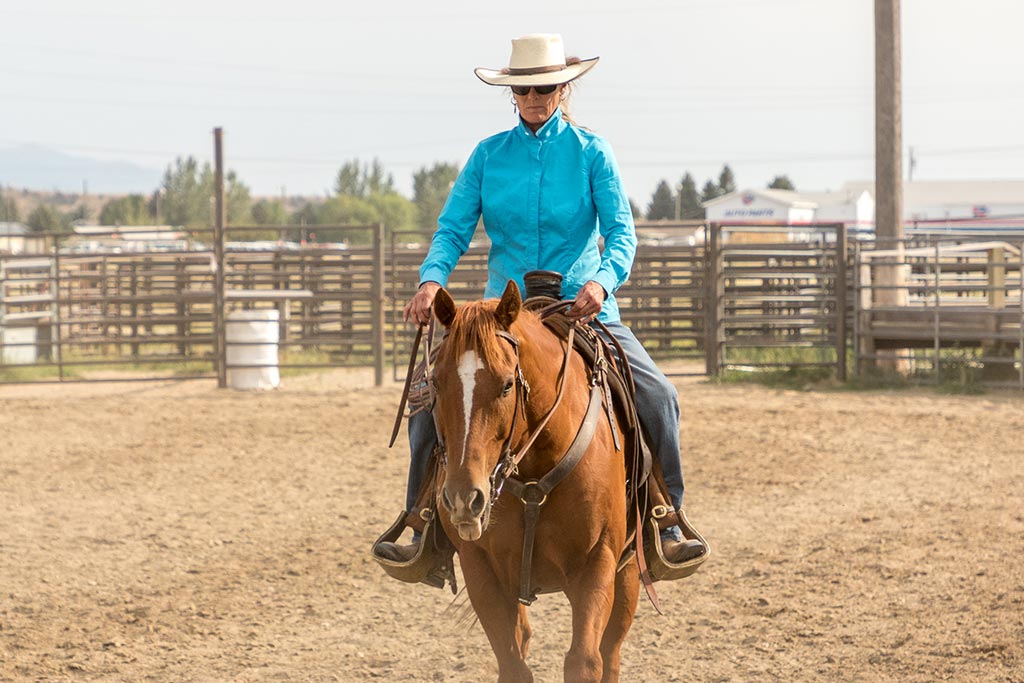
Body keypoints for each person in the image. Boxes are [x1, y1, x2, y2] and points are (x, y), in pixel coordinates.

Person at [373, 33, 705, 567]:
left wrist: (601, 282)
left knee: (659, 396)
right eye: (523, 89)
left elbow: (622, 233)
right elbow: (453, 228)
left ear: (562, 87)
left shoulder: (593, 153)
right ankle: (423, 521)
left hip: (582, 306)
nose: (533, 98)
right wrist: (431, 279)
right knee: (428, 400)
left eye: (544, 87)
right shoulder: (487, 156)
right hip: (501, 316)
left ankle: (665, 518)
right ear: (512, 93)